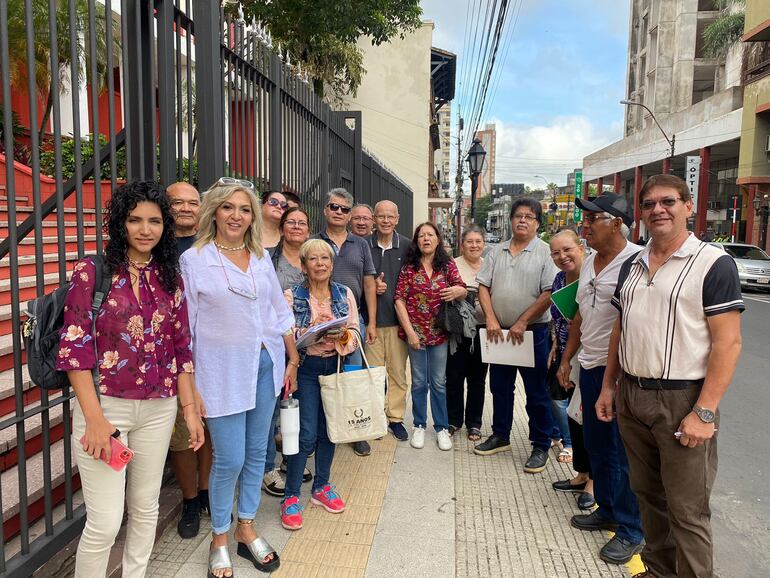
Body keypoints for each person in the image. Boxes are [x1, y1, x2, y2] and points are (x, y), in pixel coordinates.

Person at [597, 175, 744, 578]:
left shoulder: (713, 263)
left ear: (687, 205)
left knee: (687, 509)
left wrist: (706, 412)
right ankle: (658, 571)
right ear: (640, 214)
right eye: (649, 204)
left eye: (668, 201)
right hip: (633, 395)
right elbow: (620, 328)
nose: (657, 210)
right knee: (648, 496)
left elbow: (728, 344)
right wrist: (610, 385)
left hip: (683, 401)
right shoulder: (633, 262)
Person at [57, 181, 204, 577]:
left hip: (159, 408)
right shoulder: (94, 271)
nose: (145, 229)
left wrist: (189, 411)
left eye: (154, 221)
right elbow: (75, 350)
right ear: (119, 224)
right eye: (135, 219)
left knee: (145, 508)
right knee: (104, 522)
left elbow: (180, 348)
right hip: (106, 407)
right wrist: (96, 420)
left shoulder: (169, 277)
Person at [181, 179, 300, 577]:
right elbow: (187, 329)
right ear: (213, 211)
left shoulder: (260, 256)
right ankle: (219, 536)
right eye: (229, 207)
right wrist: (191, 383)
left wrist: (292, 358)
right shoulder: (195, 260)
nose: (237, 216)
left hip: (265, 364)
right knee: (228, 459)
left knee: (255, 455)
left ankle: (246, 527)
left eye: (245, 209)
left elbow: (276, 312)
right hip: (220, 374)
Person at [557, 192, 644, 565]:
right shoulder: (591, 261)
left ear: (616, 222)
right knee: (597, 446)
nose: (586, 225)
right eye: (585, 219)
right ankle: (607, 508)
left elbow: (631, 325)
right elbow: (578, 315)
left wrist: (612, 379)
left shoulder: (637, 262)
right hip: (589, 367)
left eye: (593, 219)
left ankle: (631, 530)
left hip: (618, 373)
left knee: (621, 452)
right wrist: (566, 359)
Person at [280, 239, 360, 531]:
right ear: (304, 265)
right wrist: (312, 331)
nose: (320, 263)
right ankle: (290, 496)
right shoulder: (291, 296)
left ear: (332, 263)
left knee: (330, 431)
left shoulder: (344, 293)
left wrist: (339, 336)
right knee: (305, 434)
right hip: (307, 370)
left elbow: (354, 333)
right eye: (313, 259)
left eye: (325, 258)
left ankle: (321, 486)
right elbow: (285, 333)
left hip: (335, 368)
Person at [474, 198, 559, 474]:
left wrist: (523, 320)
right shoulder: (496, 251)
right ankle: (501, 435)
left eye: (529, 217)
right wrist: (490, 318)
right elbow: (483, 286)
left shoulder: (546, 253)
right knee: (499, 387)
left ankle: (541, 443)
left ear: (537, 223)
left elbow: (549, 293)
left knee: (536, 392)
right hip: (498, 332)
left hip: (532, 333)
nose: (523, 220)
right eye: (518, 216)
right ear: (510, 220)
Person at [165, 182, 213, 539]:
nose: (185, 208)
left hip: (210, 352)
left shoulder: (209, 246)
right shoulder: (156, 245)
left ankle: (209, 490)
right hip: (170, 356)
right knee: (182, 435)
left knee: (208, 427)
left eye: (192, 202)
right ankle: (190, 499)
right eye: (176, 202)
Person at [314, 188, 377, 457]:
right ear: (326, 210)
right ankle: (321, 430)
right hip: (319, 318)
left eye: (344, 209)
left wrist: (371, 322)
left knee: (351, 374)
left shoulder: (360, 244)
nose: (339, 212)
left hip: (352, 319)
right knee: (322, 374)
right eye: (334, 207)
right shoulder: (314, 241)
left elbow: (369, 282)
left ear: (350, 214)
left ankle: (354, 431)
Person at [394, 222, 467, 451]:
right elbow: (399, 299)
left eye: (430, 235)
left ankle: (441, 427)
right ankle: (418, 424)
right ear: (416, 241)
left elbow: (462, 287)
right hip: (414, 334)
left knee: (438, 382)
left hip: (439, 334)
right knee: (418, 382)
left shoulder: (447, 265)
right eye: (422, 236)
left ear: (437, 239)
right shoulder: (409, 267)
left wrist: (458, 291)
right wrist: (410, 332)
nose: (426, 239)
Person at [263, 207, 312, 498]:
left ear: (308, 230)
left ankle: (290, 461)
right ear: (282, 228)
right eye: (290, 222)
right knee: (271, 409)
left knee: (297, 407)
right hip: (276, 343)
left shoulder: (315, 256)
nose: (296, 227)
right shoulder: (268, 259)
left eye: (302, 223)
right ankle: (268, 467)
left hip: (309, 345)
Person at [547, 230, 595, 510]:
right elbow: (560, 318)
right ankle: (581, 474)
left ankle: (594, 483)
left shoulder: (593, 275)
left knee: (590, 419)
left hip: (589, 356)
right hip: (566, 353)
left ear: (580, 247)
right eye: (556, 253)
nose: (562, 257)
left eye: (567, 250)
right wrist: (556, 346)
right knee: (574, 417)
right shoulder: (559, 279)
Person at [365, 200, 411, 441]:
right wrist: (373, 288)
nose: (385, 220)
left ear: (397, 218)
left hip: (397, 323)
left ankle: (395, 418)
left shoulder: (406, 246)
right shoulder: (364, 245)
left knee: (397, 374)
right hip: (372, 321)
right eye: (380, 216)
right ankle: (374, 417)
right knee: (373, 374)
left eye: (389, 216)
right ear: (374, 218)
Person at [446, 225, 488, 442]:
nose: (474, 245)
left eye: (478, 241)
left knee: (478, 379)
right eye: (469, 241)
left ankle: (474, 423)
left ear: (484, 244)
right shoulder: (452, 265)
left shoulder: (489, 266)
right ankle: (453, 420)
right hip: (457, 332)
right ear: (462, 244)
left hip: (483, 331)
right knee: (454, 377)